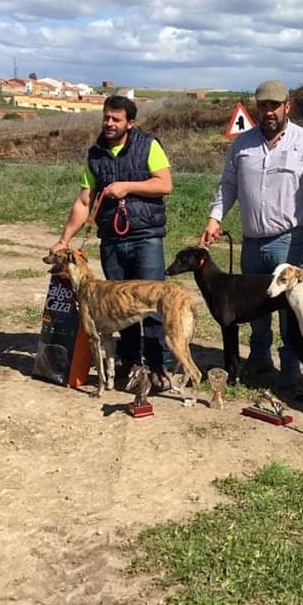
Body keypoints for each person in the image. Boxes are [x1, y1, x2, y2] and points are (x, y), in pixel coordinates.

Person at [199, 80, 303, 395]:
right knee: (252, 307)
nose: (269, 112)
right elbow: (227, 185)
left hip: (290, 240)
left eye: (275, 105)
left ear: (288, 106)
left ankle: (290, 370)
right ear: (257, 107)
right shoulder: (241, 145)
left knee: (290, 309)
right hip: (252, 241)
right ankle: (259, 361)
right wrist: (214, 217)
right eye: (263, 106)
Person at [48, 94, 174, 387]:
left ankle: (158, 368)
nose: (109, 123)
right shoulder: (95, 155)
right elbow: (83, 202)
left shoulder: (149, 145)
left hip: (146, 238)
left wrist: (126, 187)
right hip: (113, 242)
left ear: (130, 123)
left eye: (116, 119)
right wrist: (64, 239)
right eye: (106, 117)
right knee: (119, 308)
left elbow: (164, 184)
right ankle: (129, 363)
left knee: (153, 304)